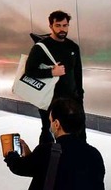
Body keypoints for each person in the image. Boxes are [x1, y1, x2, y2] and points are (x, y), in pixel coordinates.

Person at [4, 98, 105, 190]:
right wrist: (31, 156)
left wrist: (10, 155)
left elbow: (21, 167)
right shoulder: (94, 154)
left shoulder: (47, 151)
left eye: (50, 121)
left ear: (56, 124)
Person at [25, 10, 85, 144]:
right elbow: (29, 71)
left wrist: (80, 96)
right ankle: (46, 161)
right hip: (49, 100)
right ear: (51, 26)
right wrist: (51, 72)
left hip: (72, 99)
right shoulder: (41, 47)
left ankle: (77, 162)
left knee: (78, 132)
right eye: (58, 25)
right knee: (49, 133)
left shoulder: (73, 47)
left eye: (65, 25)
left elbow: (78, 74)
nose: (62, 29)